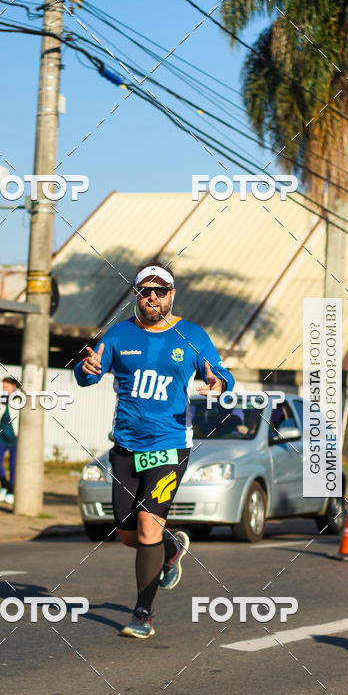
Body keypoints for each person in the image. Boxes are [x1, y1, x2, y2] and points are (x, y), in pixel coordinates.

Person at [74, 260, 234, 639]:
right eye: (145, 291)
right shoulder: (118, 335)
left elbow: (220, 373)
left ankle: (142, 615)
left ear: (171, 295)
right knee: (129, 534)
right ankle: (172, 546)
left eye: (160, 291)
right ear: (136, 295)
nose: (152, 297)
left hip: (170, 446)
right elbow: (86, 374)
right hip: (126, 447)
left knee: (147, 526)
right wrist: (88, 369)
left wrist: (217, 382)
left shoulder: (192, 335)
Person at [0, 376, 19, 506]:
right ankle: (5, 486)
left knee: (13, 465)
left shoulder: (20, 399)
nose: (4, 389)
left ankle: (11, 491)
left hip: (14, 437)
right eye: (3, 386)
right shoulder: (1, 399)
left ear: (14, 386)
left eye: (6, 386)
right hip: (1, 436)